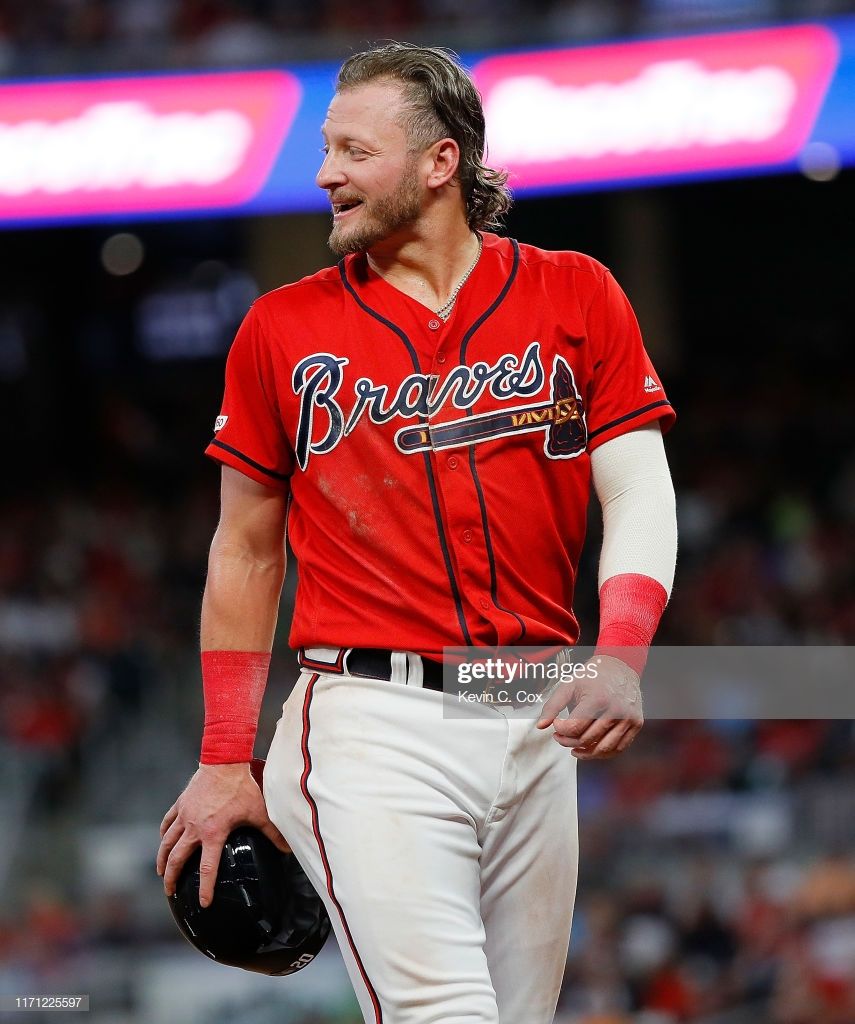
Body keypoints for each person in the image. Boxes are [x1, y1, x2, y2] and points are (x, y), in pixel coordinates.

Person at [156, 42, 678, 1023]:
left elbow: (639, 488)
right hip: (371, 717)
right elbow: (246, 547)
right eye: (325, 148)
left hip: (534, 713)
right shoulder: (281, 328)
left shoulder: (577, 293)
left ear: (441, 163)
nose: (324, 174)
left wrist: (623, 653)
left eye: (354, 149)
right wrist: (228, 751)